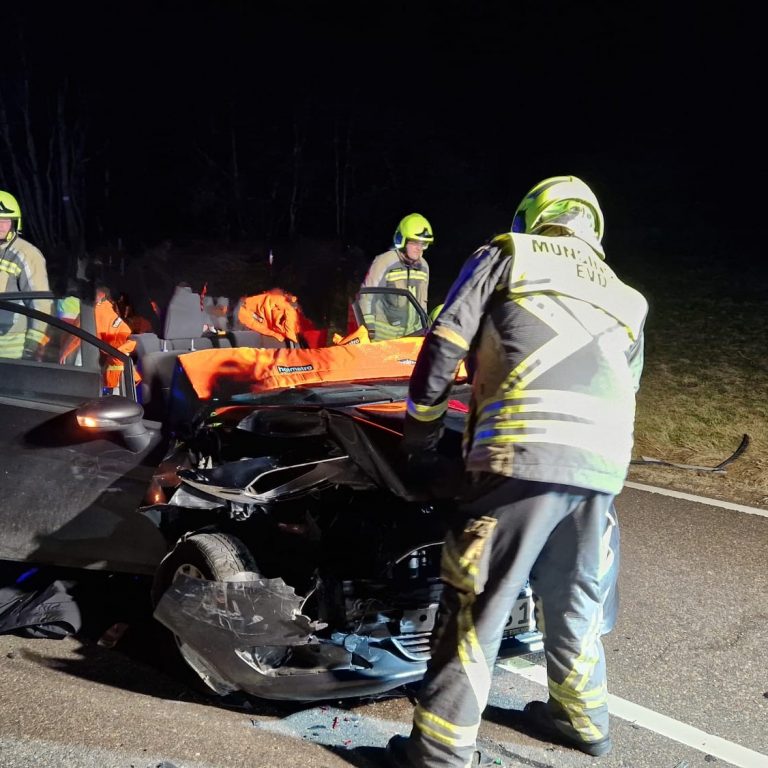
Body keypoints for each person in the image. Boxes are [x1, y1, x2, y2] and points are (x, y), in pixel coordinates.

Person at [387, 176, 648, 767]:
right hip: (601, 466)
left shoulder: (508, 253)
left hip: (520, 450)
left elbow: (444, 343)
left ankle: (437, 752)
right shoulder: (627, 296)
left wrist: (421, 439)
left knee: (477, 597)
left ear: (534, 215)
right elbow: (627, 384)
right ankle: (582, 719)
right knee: (573, 593)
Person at [359, 212, 432, 340]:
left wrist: (424, 327)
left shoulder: (424, 266)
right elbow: (366, 296)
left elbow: (422, 302)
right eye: (415, 243)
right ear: (401, 240)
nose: (419, 248)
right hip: (383, 337)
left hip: (413, 334)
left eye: (423, 244)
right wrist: (368, 329)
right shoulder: (384, 262)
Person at [0, 190, 52, 359]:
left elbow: (40, 301)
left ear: (15, 222)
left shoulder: (27, 254)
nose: (1, 226)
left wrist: (34, 342)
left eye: (6, 220)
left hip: (10, 348)